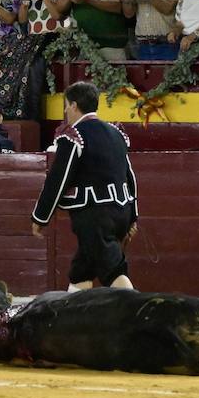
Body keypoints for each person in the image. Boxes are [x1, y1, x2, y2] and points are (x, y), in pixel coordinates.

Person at [32, 80, 137, 291]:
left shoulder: (74, 136)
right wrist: (133, 216)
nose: (64, 110)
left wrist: (40, 216)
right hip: (121, 212)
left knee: (114, 271)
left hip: (94, 215)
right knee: (82, 271)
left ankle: (137, 318)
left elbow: (58, 180)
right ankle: (75, 319)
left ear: (73, 105)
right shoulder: (115, 133)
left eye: (66, 104)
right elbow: (130, 177)